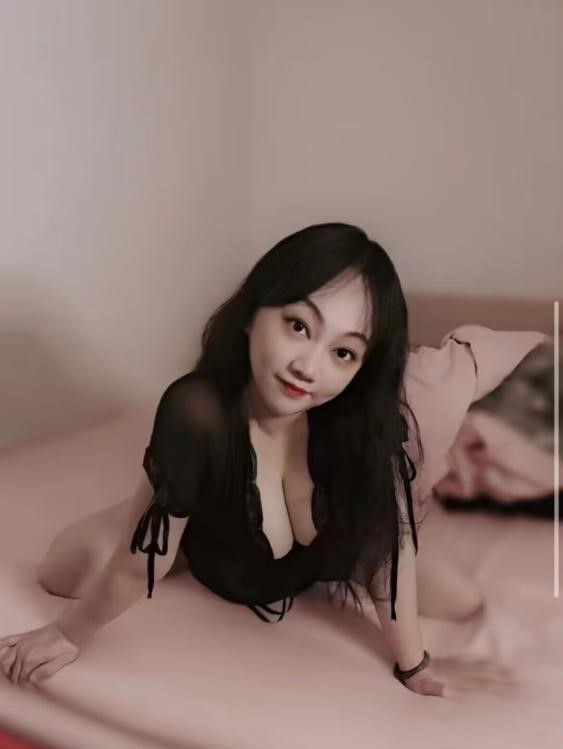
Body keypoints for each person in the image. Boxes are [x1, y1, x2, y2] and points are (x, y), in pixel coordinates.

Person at [0, 223, 527, 697]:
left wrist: (413, 666)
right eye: (298, 325)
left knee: (462, 601)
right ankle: (167, 491)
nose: (308, 367)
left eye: (343, 352)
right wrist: (69, 633)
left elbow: (391, 550)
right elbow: (139, 565)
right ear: (253, 315)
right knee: (63, 570)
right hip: (217, 539)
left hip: (325, 551)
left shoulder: (363, 423)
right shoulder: (198, 411)